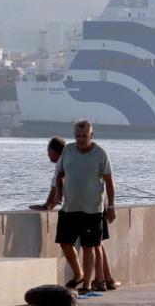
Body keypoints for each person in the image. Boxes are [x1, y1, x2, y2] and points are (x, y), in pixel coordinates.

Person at [53, 120, 116, 293]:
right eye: (78, 136)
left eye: (84, 136)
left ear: (91, 135)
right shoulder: (68, 150)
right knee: (65, 243)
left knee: (89, 247)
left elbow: (110, 183)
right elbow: (59, 174)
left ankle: (87, 284)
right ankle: (78, 273)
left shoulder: (100, 154)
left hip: (92, 210)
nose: (80, 140)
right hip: (69, 208)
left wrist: (111, 207)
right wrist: (58, 192)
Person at [29, 137, 66, 211]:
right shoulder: (67, 160)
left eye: (48, 151)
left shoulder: (61, 164)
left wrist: (46, 206)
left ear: (53, 151)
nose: (48, 155)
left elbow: (55, 188)